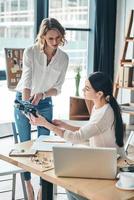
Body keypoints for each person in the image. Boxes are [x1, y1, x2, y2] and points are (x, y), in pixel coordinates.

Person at [29, 71, 125, 200]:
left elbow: (78, 137)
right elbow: (88, 131)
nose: (83, 90)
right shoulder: (101, 106)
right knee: (69, 180)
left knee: (71, 185)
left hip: (110, 164)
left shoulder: (104, 113)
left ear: (99, 94)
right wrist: (64, 125)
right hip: (102, 159)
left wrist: (46, 124)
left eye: (87, 88)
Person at [14, 18, 69, 200]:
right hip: (24, 99)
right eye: (51, 38)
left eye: (58, 38)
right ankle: (27, 184)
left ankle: (41, 188)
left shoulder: (63, 58)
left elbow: (58, 88)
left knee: (44, 145)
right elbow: (27, 80)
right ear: (43, 36)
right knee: (25, 146)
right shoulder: (31, 52)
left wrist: (42, 95)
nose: (55, 42)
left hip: (45, 103)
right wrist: (27, 106)